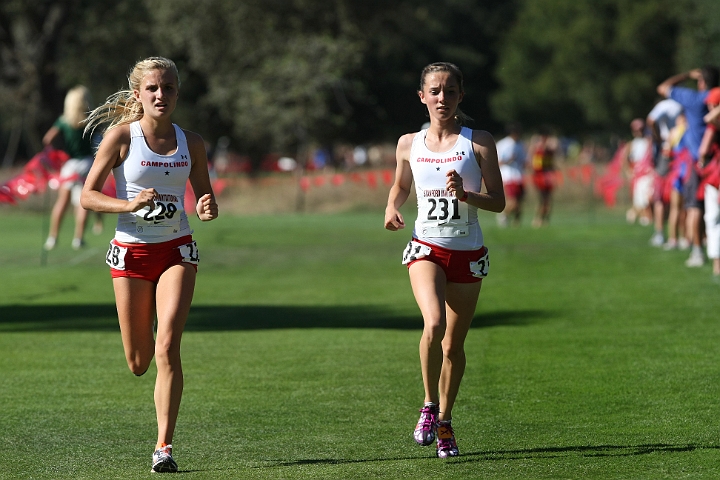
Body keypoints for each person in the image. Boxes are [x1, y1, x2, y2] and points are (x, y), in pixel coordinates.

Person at [80, 57, 218, 473]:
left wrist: (208, 207)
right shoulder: (122, 137)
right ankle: (160, 432)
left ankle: (164, 447)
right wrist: (129, 204)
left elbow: (205, 198)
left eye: (169, 88)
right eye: (154, 89)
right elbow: (87, 196)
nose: (162, 95)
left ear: (178, 93)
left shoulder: (191, 142)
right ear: (138, 94)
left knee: (167, 346)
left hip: (177, 250)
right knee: (139, 361)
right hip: (132, 253)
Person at [384, 62, 504, 458]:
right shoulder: (408, 143)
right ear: (422, 96)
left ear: (460, 97)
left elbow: (499, 201)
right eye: (435, 91)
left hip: (467, 254)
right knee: (433, 323)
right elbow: (402, 183)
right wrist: (391, 207)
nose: (442, 98)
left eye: (450, 91)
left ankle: (447, 422)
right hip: (426, 248)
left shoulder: (479, 142)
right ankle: (428, 406)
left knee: (454, 345)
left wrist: (466, 195)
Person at [657, 66, 720, 267]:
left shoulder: (693, 98)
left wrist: (686, 75)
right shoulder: (715, 97)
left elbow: (663, 87)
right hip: (715, 160)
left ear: (701, 81)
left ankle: (698, 252)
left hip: (698, 161)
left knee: (695, 208)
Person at [43, 85, 100, 250]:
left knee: (62, 201)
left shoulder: (63, 121)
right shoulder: (90, 121)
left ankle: (52, 238)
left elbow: (48, 139)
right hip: (87, 164)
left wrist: (56, 153)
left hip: (69, 165)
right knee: (82, 203)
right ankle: (78, 238)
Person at [646, 98, 683, 247]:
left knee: (661, 198)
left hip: (667, 154)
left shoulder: (664, 105)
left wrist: (658, 138)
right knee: (680, 200)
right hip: (680, 155)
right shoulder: (681, 105)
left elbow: (651, 120)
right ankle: (683, 237)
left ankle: (663, 234)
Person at [623, 118, 654, 226]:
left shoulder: (649, 141)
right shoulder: (631, 145)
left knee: (646, 198)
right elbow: (626, 159)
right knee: (640, 200)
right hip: (638, 175)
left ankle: (645, 217)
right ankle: (641, 216)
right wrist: (628, 171)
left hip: (647, 174)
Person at [495, 122, 526, 227]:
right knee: (514, 201)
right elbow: (498, 161)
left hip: (519, 175)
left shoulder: (520, 144)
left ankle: (516, 223)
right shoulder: (503, 144)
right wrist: (509, 160)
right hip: (508, 176)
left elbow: (523, 159)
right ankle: (504, 215)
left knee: (520, 201)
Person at [528, 126, 557, 227]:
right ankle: (538, 219)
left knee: (547, 199)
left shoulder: (549, 147)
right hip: (539, 175)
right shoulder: (537, 147)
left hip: (546, 175)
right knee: (542, 199)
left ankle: (545, 219)